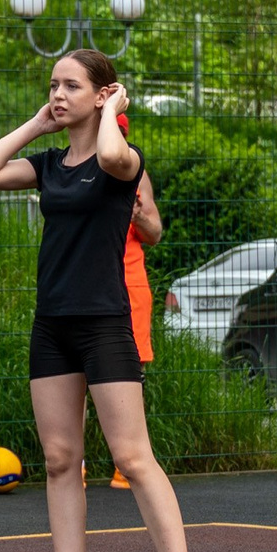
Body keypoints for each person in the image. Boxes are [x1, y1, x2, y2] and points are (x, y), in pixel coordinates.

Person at [0, 50, 211, 552]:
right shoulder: (48, 165)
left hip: (105, 322)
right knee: (58, 459)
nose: (58, 93)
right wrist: (38, 124)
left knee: (131, 456)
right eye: (53, 85)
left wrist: (113, 111)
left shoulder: (120, 163)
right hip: (53, 323)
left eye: (71, 85)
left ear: (103, 95)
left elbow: (108, 154)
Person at [111, 120, 163, 490]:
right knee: (77, 377)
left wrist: (138, 213)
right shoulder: (70, 167)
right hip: (85, 286)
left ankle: (126, 464)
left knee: (131, 373)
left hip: (130, 286)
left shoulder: (135, 173)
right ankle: (74, 463)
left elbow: (155, 233)